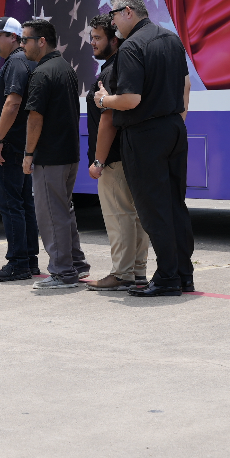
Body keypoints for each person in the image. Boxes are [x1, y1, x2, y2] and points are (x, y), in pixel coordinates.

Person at [94, 0, 192, 297]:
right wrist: (175, 119)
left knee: (152, 209)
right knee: (175, 205)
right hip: (174, 127)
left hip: (145, 135)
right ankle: (182, 274)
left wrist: (104, 99)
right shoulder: (170, 38)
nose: (112, 22)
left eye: (112, 16)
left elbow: (131, 99)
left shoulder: (132, 46)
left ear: (127, 12)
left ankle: (165, 278)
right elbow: (186, 84)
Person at [21, 19, 90, 290]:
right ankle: (76, 264)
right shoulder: (65, 67)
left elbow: (35, 119)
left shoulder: (41, 73)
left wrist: (28, 153)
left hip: (50, 155)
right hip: (69, 152)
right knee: (63, 211)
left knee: (51, 214)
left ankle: (63, 273)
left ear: (42, 41)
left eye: (25, 39)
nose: (22, 44)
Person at [85, 15, 149, 291]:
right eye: (92, 37)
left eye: (97, 37)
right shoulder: (126, 66)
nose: (92, 43)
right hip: (132, 153)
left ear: (114, 39)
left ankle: (122, 274)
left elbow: (108, 119)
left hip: (113, 157)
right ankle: (137, 272)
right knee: (135, 216)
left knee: (118, 216)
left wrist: (98, 160)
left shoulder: (111, 71)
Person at [0, 17, 40, 282]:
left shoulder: (16, 62)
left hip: (9, 145)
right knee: (24, 202)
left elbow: (12, 104)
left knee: (10, 204)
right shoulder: (20, 61)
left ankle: (18, 263)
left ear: (14, 38)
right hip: (18, 144)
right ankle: (29, 260)